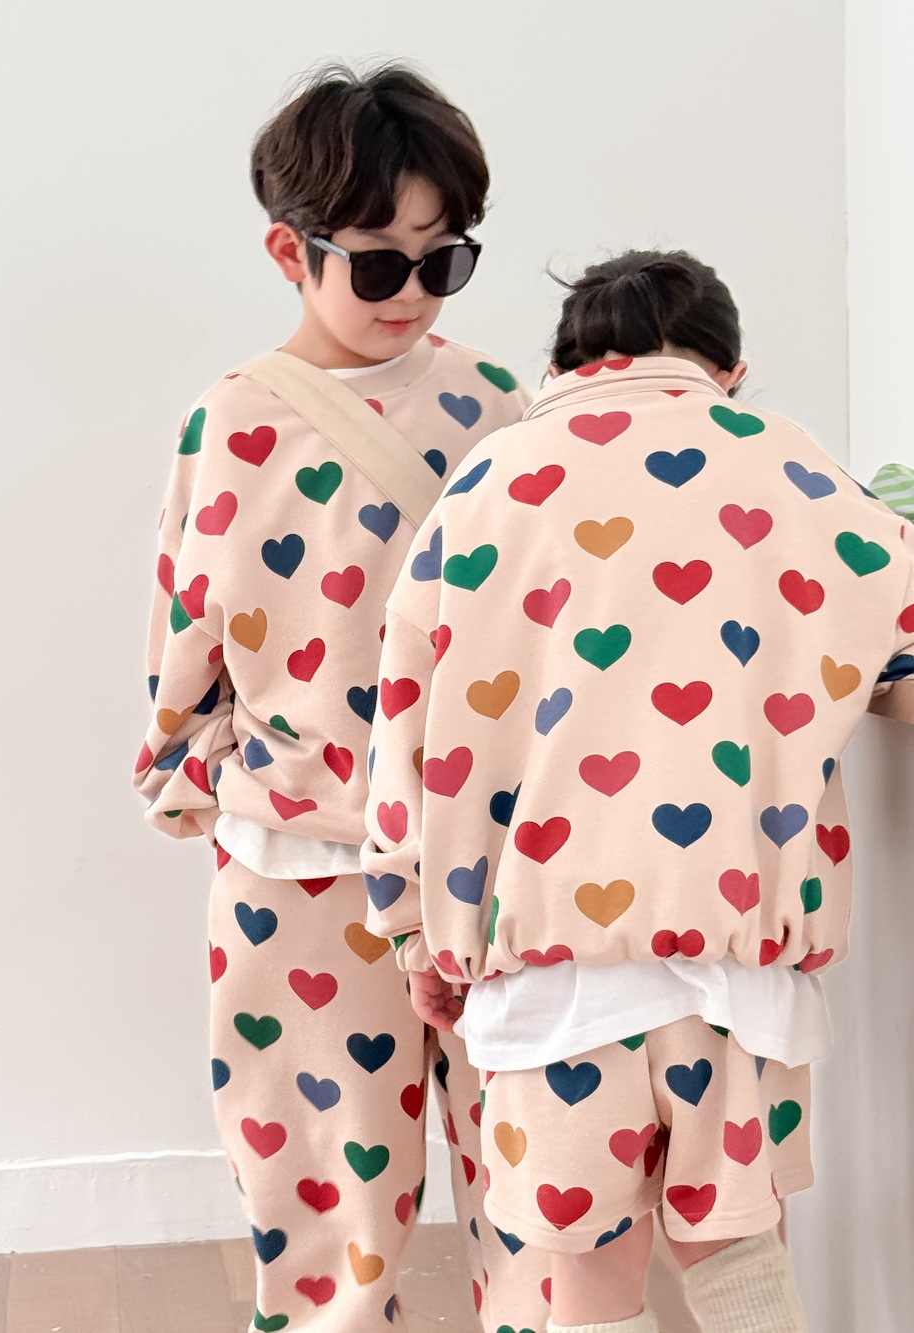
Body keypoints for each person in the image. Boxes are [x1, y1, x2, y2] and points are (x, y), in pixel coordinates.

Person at [360, 248, 914, 1333]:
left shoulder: (491, 482)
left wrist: (416, 932)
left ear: (567, 365)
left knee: (587, 1275)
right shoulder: (789, 466)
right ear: (730, 369)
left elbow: (406, 728)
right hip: (734, 963)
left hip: (546, 968)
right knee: (737, 1253)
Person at [133, 62, 552, 1332]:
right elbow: (185, 635)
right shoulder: (233, 423)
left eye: (444, 260)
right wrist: (197, 776)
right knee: (323, 1206)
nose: (410, 293)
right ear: (290, 251)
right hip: (299, 864)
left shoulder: (497, 405)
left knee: (536, 1183)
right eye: (377, 263)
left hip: (484, 866)